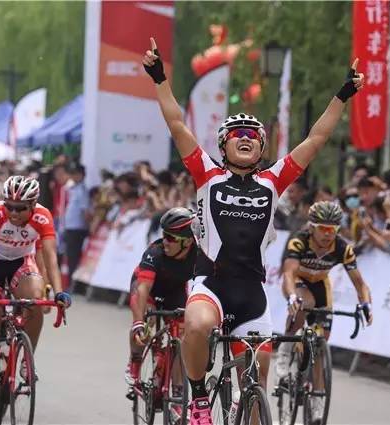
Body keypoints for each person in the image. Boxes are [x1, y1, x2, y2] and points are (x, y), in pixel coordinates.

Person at [142, 36, 364, 423]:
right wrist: (160, 78)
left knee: (257, 382)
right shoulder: (207, 174)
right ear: (223, 146)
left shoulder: (273, 181)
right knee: (197, 324)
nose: (245, 139)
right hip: (210, 284)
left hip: (251, 292)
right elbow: (176, 123)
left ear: (261, 147)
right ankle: (198, 399)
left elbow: (316, 139)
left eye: (253, 136)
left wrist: (342, 96)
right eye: (237, 136)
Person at [0, 176, 72, 413]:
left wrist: (58, 292)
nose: (13, 213)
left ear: (33, 205)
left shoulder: (43, 216)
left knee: (35, 300)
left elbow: (50, 257)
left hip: (21, 262)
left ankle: (27, 359)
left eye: (20, 208)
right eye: (10, 206)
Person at [276, 201, 372, 422]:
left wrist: (366, 304)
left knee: (320, 343)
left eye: (333, 229)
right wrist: (291, 297)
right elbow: (288, 273)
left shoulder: (342, 248)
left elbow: (360, 284)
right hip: (298, 282)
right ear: (312, 227)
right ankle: (286, 346)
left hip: (321, 284)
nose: (328, 234)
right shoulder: (299, 241)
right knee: (304, 302)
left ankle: (317, 397)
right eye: (323, 229)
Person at [125, 207, 197, 413]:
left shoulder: (199, 254)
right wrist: (138, 322)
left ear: (187, 242)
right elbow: (142, 290)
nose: (165, 241)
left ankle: (177, 394)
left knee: (182, 339)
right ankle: (135, 362)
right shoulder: (154, 253)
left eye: (171, 238)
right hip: (147, 291)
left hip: (174, 292)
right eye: (164, 235)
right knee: (145, 325)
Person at [62, 163, 90, 290]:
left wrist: (88, 226)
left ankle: (74, 285)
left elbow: (85, 211)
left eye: (75, 174)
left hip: (77, 229)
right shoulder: (74, 188)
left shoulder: (82, 190)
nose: (73, 176)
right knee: (70, 257)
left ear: (81, 175)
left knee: (74, 258)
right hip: (70, 227)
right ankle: (70, 283)